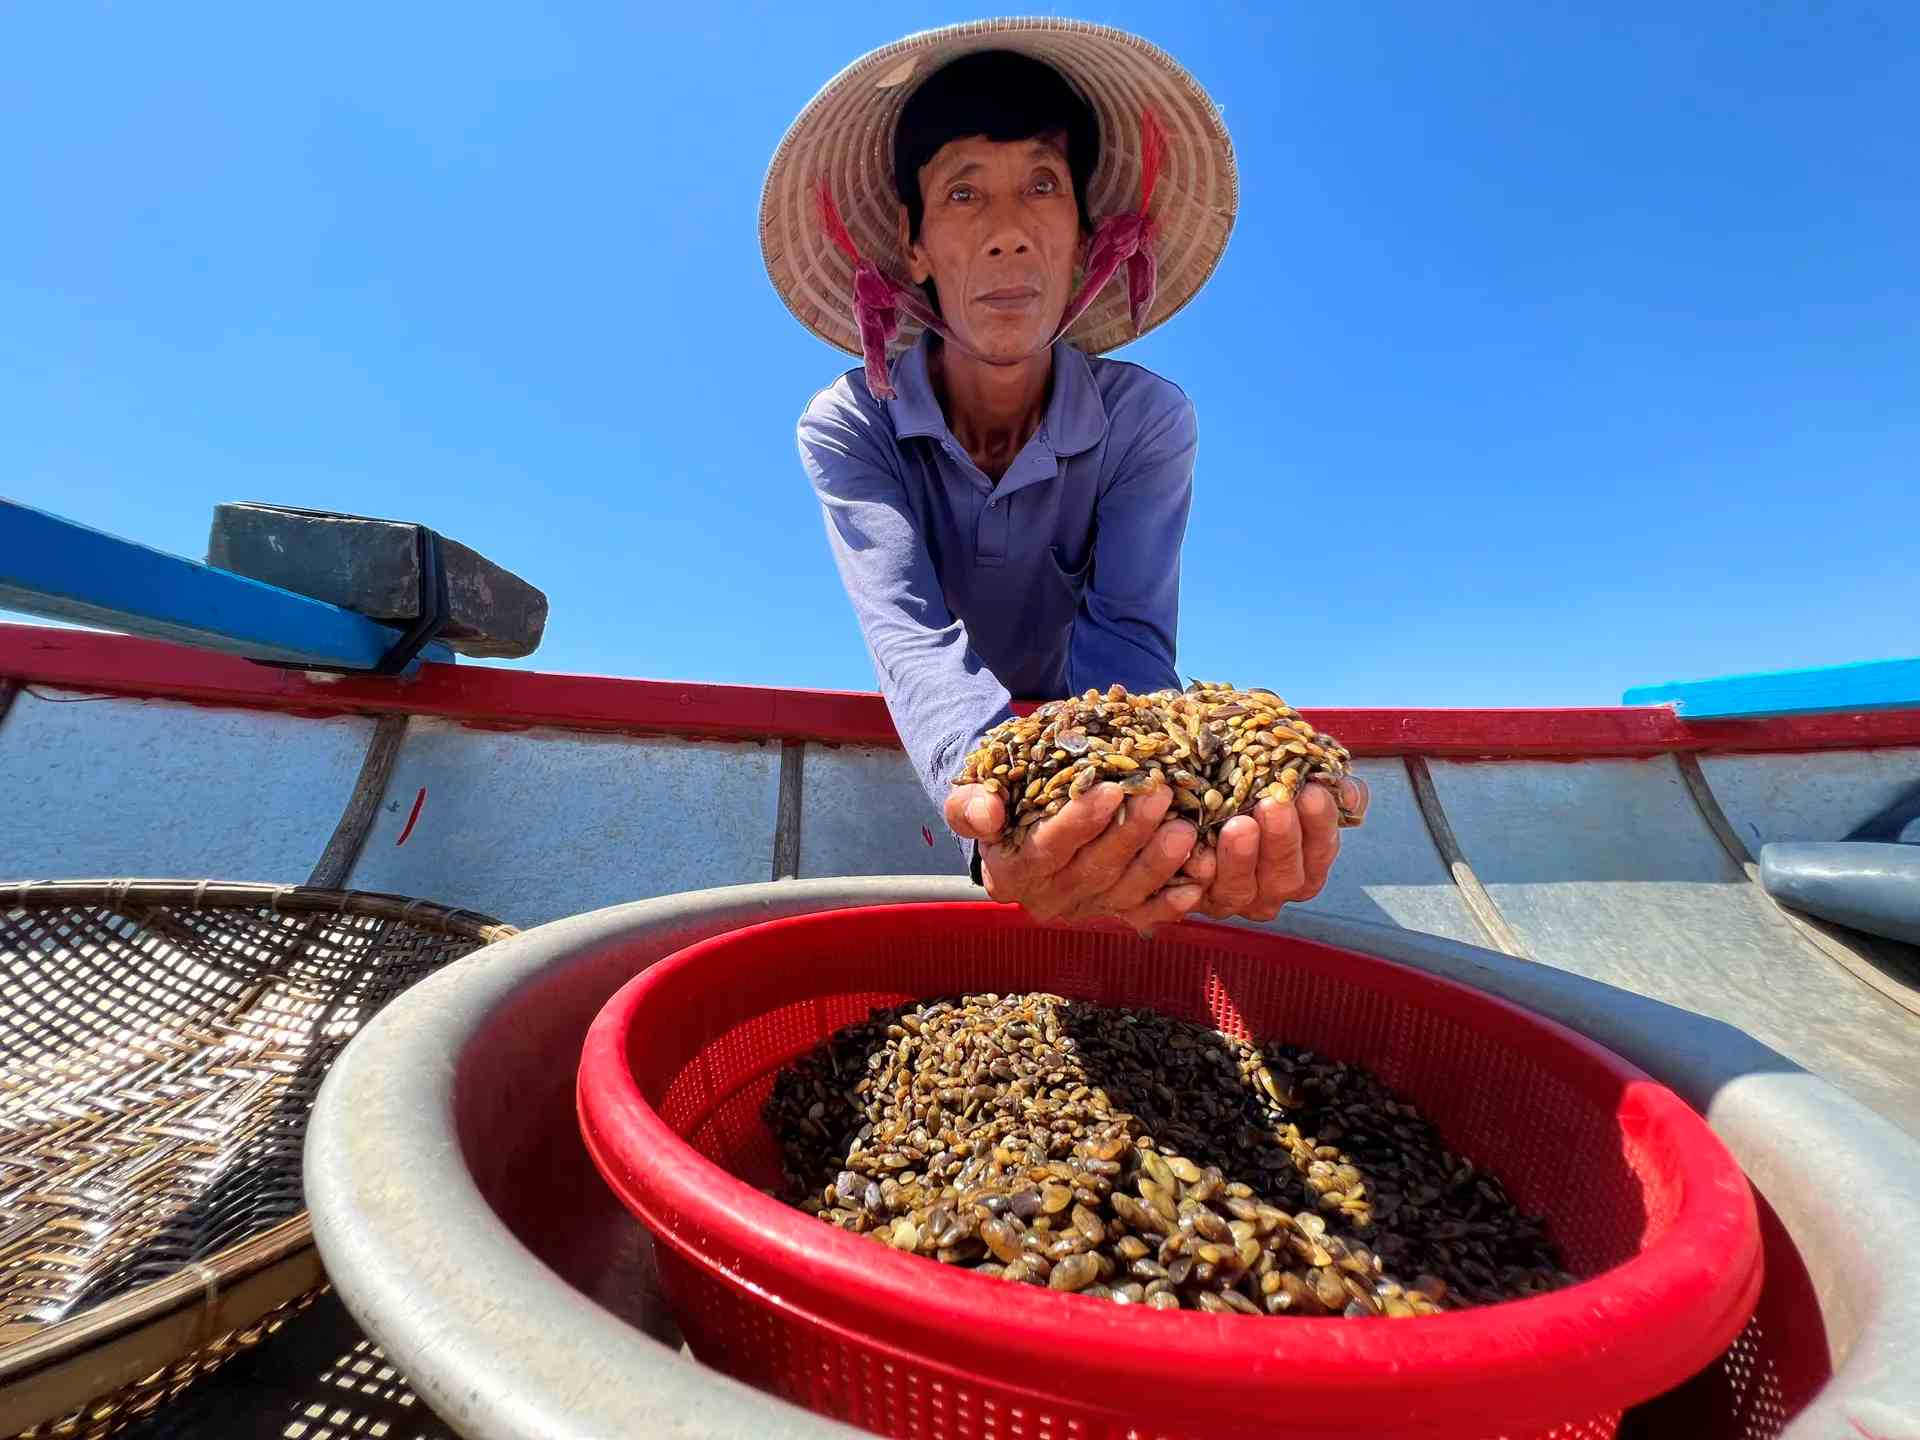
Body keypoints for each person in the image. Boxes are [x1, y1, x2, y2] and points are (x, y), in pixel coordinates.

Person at [761, 21, 1367, 936]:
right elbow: (911, 636)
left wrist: (1159, 801)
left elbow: (1127, 637)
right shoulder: (851, 427)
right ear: (913, 244)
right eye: (963, 193)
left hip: (1087, 719)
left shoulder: (1146, 423)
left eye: (1042, 186)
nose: (1008, 234)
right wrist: (995, 804)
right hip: (951, 731)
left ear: (1086, 236)